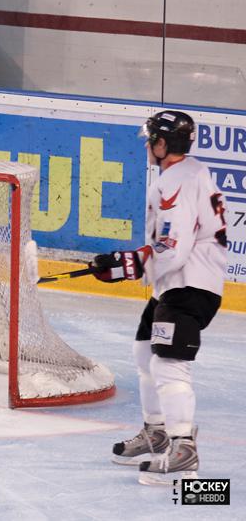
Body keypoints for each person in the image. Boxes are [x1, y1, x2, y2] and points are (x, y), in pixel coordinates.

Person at [89, 110, 227, 485]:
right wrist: (130, 263)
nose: (147, 146)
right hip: (175, 284)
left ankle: (183, 449)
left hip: (189, 286)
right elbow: (170, 245)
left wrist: (129, 264)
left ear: (163, 145)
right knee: (144, 351)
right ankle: (157, 432)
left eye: (151, 139)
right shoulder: (190, 171)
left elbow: (172, 249)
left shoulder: (176, 183)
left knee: (168, 366)